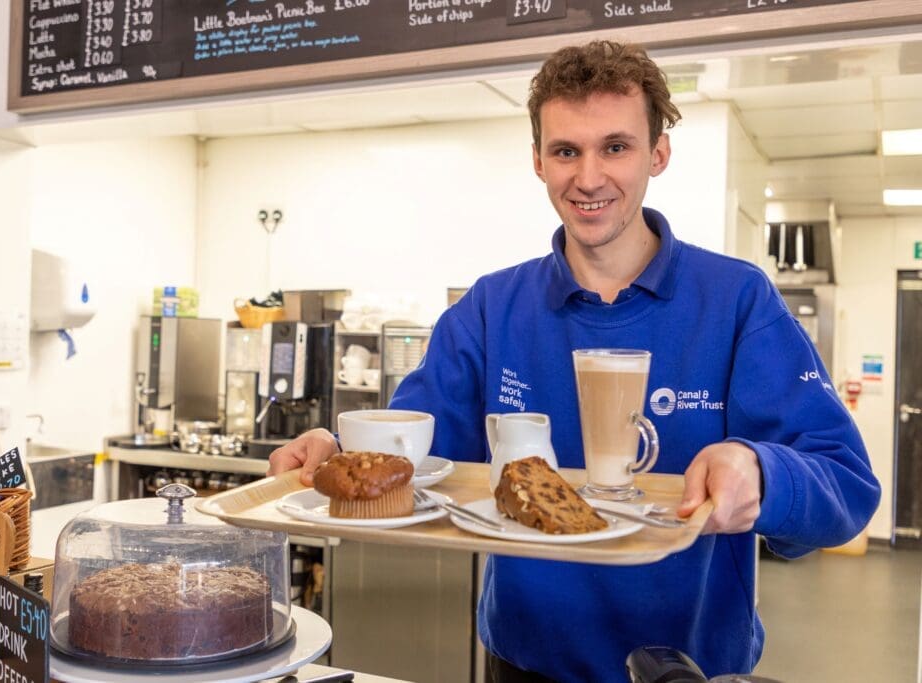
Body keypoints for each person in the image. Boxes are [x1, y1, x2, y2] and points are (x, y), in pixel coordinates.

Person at [269, 40, 880, 682]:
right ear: (539, 161)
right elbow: (412, 445)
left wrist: (763, 473)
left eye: (615, 146)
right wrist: (334, 453)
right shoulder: (492, 308)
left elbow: (845, 485)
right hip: (525, 661)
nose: (589, 177)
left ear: (658, 154)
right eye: (567, 151)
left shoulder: (735, 300)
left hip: (688, 666)